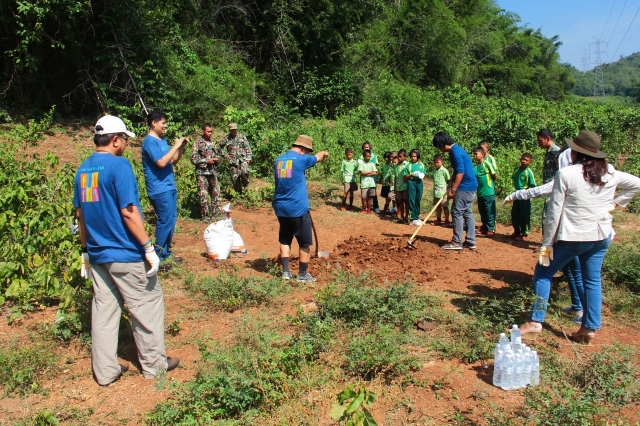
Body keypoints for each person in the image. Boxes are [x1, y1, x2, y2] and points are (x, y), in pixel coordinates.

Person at [74, 115, 179, 386]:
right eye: (124, 139)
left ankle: (105, 371)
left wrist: (85, 251)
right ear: (115, 140)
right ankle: (154, 365)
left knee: (104, 312)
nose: (126, 144)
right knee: (147, 304)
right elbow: (129, 212)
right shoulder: (119, 166)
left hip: (98, 255)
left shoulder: (83, 169)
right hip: (125, 253)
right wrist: (147, 247)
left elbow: (80, 215)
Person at [518, 132, 640, 343]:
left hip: (574, 237)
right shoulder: (609, 172)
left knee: (543, 272)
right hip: (600, 236)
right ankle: (589, 327)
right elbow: (637, 183)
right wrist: (615, 204)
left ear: (575, 152)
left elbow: (554, 213)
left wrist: (547, 245)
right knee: (592, 279)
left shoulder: (566, 174)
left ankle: (536, 321)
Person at [503, 129, 584, 322]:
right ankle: (580, 308)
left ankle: (539, 320)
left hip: (569, 234)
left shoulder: (565, 178)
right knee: (573, 269)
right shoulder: (589, 175)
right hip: (577, 233)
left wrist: (546, 248)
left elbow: (549, 216)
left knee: (548, 270)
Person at [272, 135, 329, 282]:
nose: (308, 153)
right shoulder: (301, 159)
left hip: (280, 207)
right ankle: (302, 275)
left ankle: (286, 272)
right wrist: (324, 153)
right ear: (303, 149)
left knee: (285, 239)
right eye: (308, 151)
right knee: (304, 243)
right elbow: (318, 157)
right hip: (297, 208)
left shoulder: (278, 161)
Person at [141, 110, 187, 270]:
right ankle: (158, 256)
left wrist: (181, 147)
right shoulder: (149, 142)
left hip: (169, 185)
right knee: (164, 220)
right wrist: (175, 145)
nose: (165, 126)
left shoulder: (162, 140)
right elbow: (161, 163)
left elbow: (172, 160)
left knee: (170, 220)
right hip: (159, 188)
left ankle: (166, 253)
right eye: (163, 123)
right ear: (153, 123)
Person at [432, 132, 477, 250]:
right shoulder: (456, 150)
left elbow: (461, 172)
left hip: (465, 186)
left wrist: (453, 189)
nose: (440, 150)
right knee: (467, 212)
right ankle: (470, 240)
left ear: (441, 144)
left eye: (438, 147)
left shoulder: (455, 152)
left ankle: (457, 242)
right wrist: (451, 182)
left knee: (456, 211)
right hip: (470, 186)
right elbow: (457, 170)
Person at [190, 124, 221, 221]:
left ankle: (216, 215)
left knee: (216, 193)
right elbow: (193, 159)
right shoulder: (197, 143)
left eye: (211, 131)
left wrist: (216, 160)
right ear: (203, 131)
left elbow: (215, 155)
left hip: (212, 172)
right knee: (203, 195)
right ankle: (205, 217)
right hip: (202, 173)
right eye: (208, 131)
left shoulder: (212, 143)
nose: (210, 133)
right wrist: (206, 161)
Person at [220, 123, 252, 194]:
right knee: (235, 178)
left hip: (243, 159)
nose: (234, 131)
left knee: (245, 172)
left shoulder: (242, 137)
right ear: (229, 130)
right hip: (233, 161)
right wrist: (226, 156)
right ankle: (238, 194)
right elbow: (219, 148)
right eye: (232, 130)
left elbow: (247, 147)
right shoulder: (226, 138)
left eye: (235, 129)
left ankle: (246, 188)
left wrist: (248, 158)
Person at [510, 153, 536, 240]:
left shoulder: (529, 172)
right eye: (523, 159)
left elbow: (533, 185)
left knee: (524, 214)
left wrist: (528, 195)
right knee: (515, 213)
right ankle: (516, 232)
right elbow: (514, 180)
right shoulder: (516, 170)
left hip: (525, 196)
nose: (524, 161)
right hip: (517, 195)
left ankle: (524, 233)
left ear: (530, 162)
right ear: (520, 159)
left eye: (526, 160)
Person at [472, 146, 497, 237]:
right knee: (482, 211)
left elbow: (495, 175)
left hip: (488, 192)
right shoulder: (475, 168)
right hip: (480, 193)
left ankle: (491, 229)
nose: (474, 156)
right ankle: (485, 227)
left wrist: (490, 185)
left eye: (476, 154)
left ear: (482, 155)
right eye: (474, 154)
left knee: (490, 211)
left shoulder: (487, 164)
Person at [404, 149, 427, 226]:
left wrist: (422, 175)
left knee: (418, 199)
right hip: (411, 182)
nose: (413, 158)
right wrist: (411, 175)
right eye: (412, 156)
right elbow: (405, 177)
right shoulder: (409, 165)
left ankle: (417, 217)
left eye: (415, 156)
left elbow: (424, 173)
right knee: (411, 199)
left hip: (419, 182)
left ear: (418, 156)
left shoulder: (421, 165)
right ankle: (412, 218)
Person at [358, 141, 380, 213]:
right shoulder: (361, 157)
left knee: (373, 193)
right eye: (365, 147)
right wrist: (369, 172)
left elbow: (375, 168)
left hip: (372, 179)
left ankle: (375, 207)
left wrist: (367, 173)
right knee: (364, 194)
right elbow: (361, 170)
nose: (366, 148)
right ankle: (366, 208)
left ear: (370, 147)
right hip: (364, 180)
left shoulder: (374, 156)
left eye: (367, 147)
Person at [431, 155, 450, 226]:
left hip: (443, 193)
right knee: (437, 207)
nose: (436, 164)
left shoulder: (444, 171)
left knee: (445, 207)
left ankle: (447, 220)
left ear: (442, 162)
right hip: (436, 192)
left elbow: (448, 180)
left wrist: (448, 190)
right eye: (435, 162)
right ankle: (438, 220)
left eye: (438, 162)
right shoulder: (434, 171)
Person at [394, 149, 410, 223]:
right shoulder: (396, 166)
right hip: (398, 187)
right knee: (400, 201)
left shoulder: (408, 165)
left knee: (406, 201)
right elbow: (395, 177)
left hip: (405, 186)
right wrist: (395, 188)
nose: (399, 158)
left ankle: (406, 217)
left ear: (405, 157)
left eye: (400, 156)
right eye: (398, 156)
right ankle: (402, 217)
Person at [380, 151, 396, 217]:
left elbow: (391, 175)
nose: (386, 159)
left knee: (393, 196)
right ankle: (387, 209)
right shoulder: (384, 166)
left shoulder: (392, 165)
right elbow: (385, 174)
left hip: (391, 184)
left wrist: (389, 181)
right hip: (385, 183)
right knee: (387, 196)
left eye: (388, 157)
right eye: (385, 157)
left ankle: (394, 208)